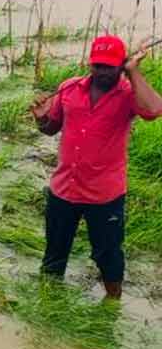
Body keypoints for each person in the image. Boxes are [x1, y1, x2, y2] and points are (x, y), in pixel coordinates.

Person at [31, 35, 162, 300]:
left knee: (108, 254)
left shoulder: (128, 94)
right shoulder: (69, 88)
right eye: (97, 65)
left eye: (109, 66)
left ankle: (112, 304)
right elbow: (50, 129)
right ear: (90, 63)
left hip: (104, 195)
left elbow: (154, 110)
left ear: (121, 65)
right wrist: (41, 118)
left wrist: (133, 71)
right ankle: (48, 304)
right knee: (54, 252)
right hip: (63, 189)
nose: (102, 72)